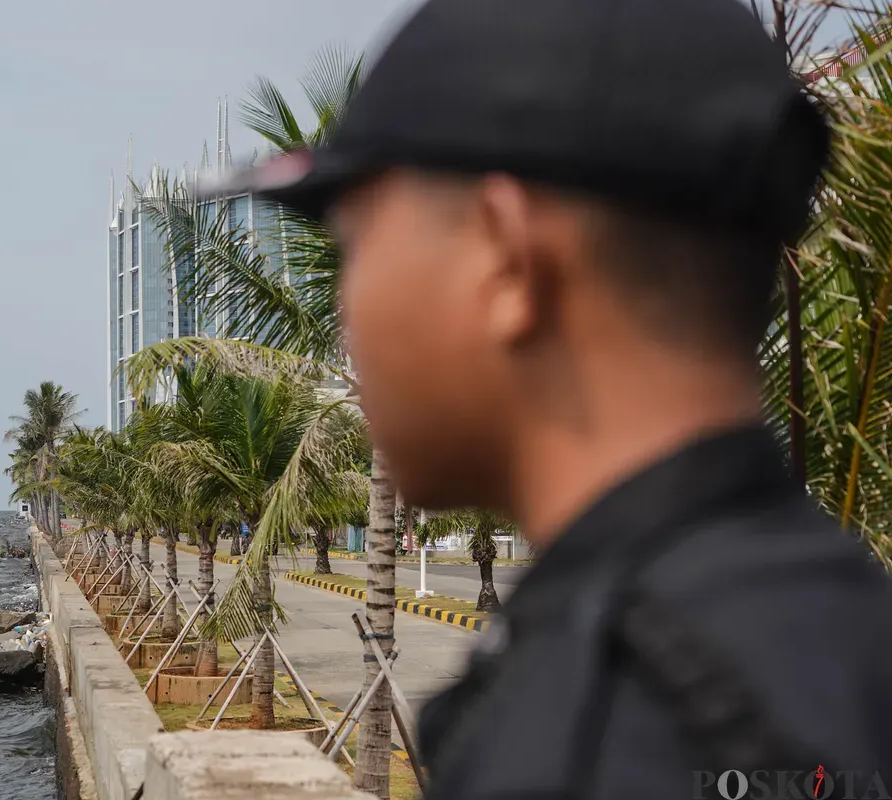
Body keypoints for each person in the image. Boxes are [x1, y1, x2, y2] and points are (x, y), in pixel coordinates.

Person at [207, 0, 892, 795]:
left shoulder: (607, 734)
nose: (345, 317)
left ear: (506, 259)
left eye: (353, 244)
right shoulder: (835, 635)